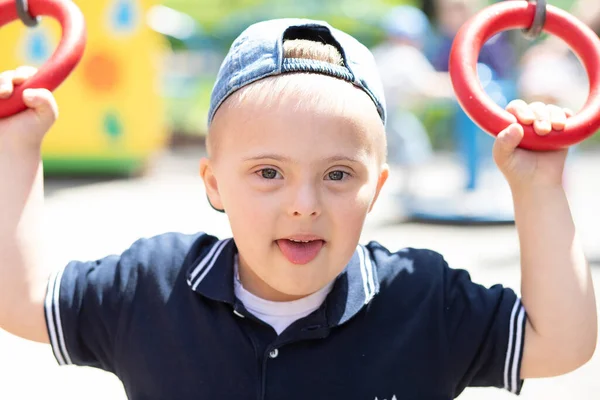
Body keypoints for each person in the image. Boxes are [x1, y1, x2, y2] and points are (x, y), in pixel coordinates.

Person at [0, 18, 596, 399]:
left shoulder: (423, 299)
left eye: (339, 175)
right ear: (213, 185)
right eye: (268, 174)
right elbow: (21, 301)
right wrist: (17, 146)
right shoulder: (151, 288)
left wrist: (539, 189)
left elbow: (561, 345)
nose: (303, 205)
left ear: (377, 187)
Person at [371, 5, 453, 167]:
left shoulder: (380, 53)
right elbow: (428, 88)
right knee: (414, 146)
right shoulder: (406, 55)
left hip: (371, 114)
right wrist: (455, 87)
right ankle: (409, 189)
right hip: (386, 116)